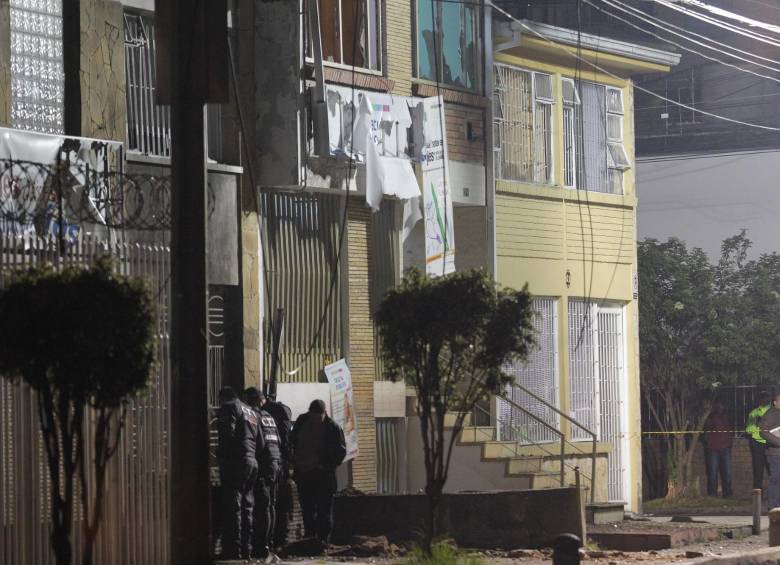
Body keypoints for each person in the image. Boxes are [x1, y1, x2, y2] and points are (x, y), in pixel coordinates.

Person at [291, 399, 346, 545]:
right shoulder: (302, 421)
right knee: (307, 509)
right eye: (313, 417)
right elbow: (292, 441)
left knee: (324, 510)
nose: (315, 421)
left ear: (324, 414)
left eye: (318, 418)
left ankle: (322, 540)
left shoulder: (333, 427)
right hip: (305, 474)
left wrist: (325, 465)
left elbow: (340, 452)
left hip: (324, 476)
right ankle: (310, 538)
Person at [216, 386, 259, 559]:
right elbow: (260, 440)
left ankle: (233, 551)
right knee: (247, 506)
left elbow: (227, 434)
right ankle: (246, 549)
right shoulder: (250, 411)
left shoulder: (229, 406)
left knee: (233, 506)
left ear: (223, 398)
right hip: (252, 461)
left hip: (236, 462)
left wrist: (221, 456)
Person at [244, 387, 283, 559]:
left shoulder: (255, 417)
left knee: (262, 507)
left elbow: (257, 442)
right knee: (270, 506)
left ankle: (262, 546)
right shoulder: (270, 417)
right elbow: (279, 440)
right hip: (275, 464)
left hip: (264, 464)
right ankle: (269, 542)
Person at [703, 401, 733, 498]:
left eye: (722, 405)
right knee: (712, 473)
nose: (721, 407)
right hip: (713, 448)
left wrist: (729, 443)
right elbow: (707, 429)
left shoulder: (727, 416)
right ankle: (712, 494)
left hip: (725, 448)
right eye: (719, 406)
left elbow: (729, 429)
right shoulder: (711, 417)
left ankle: (727, 494)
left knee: (727, 473)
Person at [746, 392, 772, 491]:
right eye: (763, 399)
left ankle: (775, 495)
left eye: (766, 399)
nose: (764, 401)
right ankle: (758, 497)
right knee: (758, 471)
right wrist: (757, 425)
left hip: (771, 443)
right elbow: (748, 429)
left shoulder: (774, 412)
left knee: (773, 471)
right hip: (757, 444)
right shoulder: (754, 413)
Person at [760, 393, 780, 510]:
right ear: (775, 402)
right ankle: (774, 506)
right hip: (775, 454)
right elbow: (763, 431)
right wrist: (778, 442)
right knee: (776, 479)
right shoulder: (771, 413)